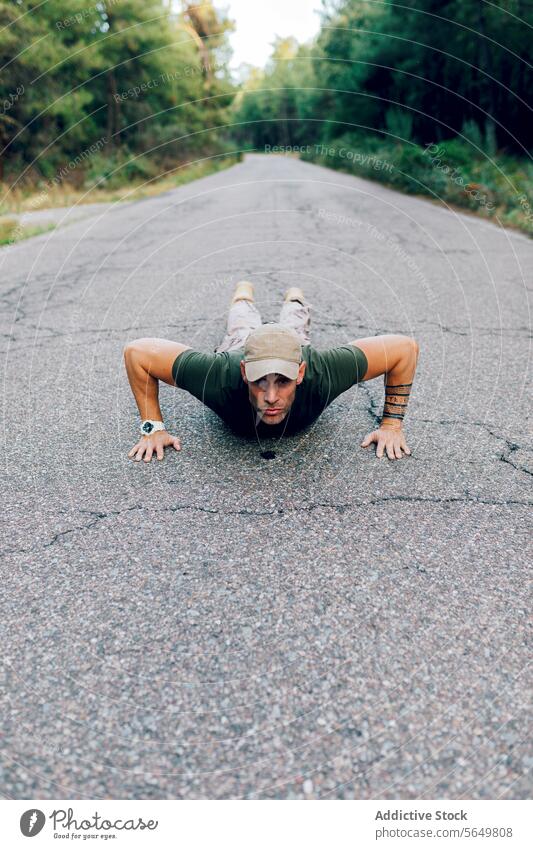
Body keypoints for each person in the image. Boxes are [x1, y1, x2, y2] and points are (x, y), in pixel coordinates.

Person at [124, 281, 419, 462]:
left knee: (295, 322)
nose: (271, 396)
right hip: (244, 344)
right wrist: (152, 429)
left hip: (293, 343)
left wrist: (391, 426)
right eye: (259, 381)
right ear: (243, 372)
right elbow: (137, 353)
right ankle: (243, 294)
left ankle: (295, 296)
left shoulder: (323, 370)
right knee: (241, 321)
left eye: (283, 381)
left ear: (301, 373)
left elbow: (403, 349)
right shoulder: (218, 374)